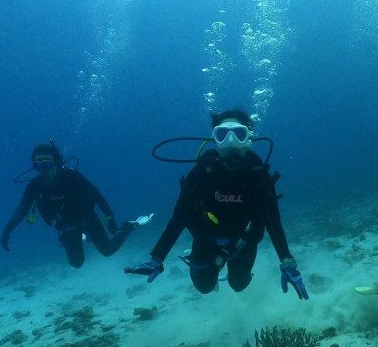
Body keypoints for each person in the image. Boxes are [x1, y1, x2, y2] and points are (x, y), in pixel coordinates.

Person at [125, 110, 308, 299]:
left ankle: (231, 272)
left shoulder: (259, 175)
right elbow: (179, 218)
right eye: (222, 135)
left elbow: (273, 221)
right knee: (203, 287)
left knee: (238, 285)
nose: (230, 142)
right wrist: (157, 258)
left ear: (248, 138)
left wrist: (286, 261)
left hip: (244, 241)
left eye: (238, 134)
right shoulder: (201, 173)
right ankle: (208, 269)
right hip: (206, 240)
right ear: (214, 139)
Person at [1, 141, 136, 268]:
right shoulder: (34, 186)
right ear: (34, 166)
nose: (43, 167)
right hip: (66, 227)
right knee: (77, 263)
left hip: (88, 220)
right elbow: (21, 210)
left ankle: (127, 227)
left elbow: (96, 196)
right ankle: (77, 238)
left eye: (47, 162)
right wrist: (7, 231)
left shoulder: (71, 177)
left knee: (107, 250)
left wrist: (110, 218)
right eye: (38, 163)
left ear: (56, 162)